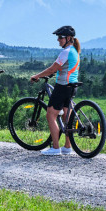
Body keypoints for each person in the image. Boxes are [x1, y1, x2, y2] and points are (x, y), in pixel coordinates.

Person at [30, 25, 80, 156]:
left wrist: (37, 76)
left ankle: (56, 148)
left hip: (62, 87)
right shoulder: (74, 51)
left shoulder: (66, 52)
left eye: (60, 37)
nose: (58, 40)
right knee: (66, 116)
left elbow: (53, 68)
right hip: (71, 86)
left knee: (50, 114)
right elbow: (63, 68)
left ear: (68, 38)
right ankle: (67, 147)